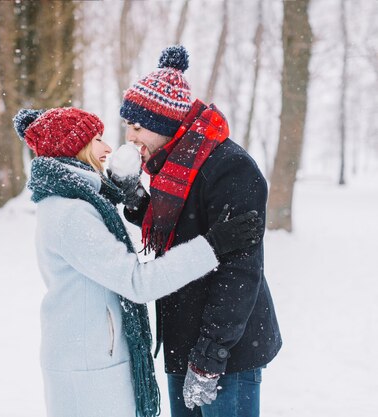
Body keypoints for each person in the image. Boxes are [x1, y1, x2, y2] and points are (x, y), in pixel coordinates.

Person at [12, 106, 263, 417]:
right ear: (75, 148)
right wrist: (211, 246)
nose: (108, 149)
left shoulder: (75, 202)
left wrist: (133, 196)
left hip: (91, 358)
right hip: (88, 368)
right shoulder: (71, 214)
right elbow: (137, 282)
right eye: (97, 139)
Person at [113, 45, 282, 417]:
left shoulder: (230, 169)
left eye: (137, 126)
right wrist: (135, 195)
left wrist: (210, 355)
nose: (130, 136)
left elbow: (240, 270)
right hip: (183, 336)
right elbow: (178, 233)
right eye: (128, 125)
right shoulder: (170, 166)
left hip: (227, 353)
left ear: (163, 123)